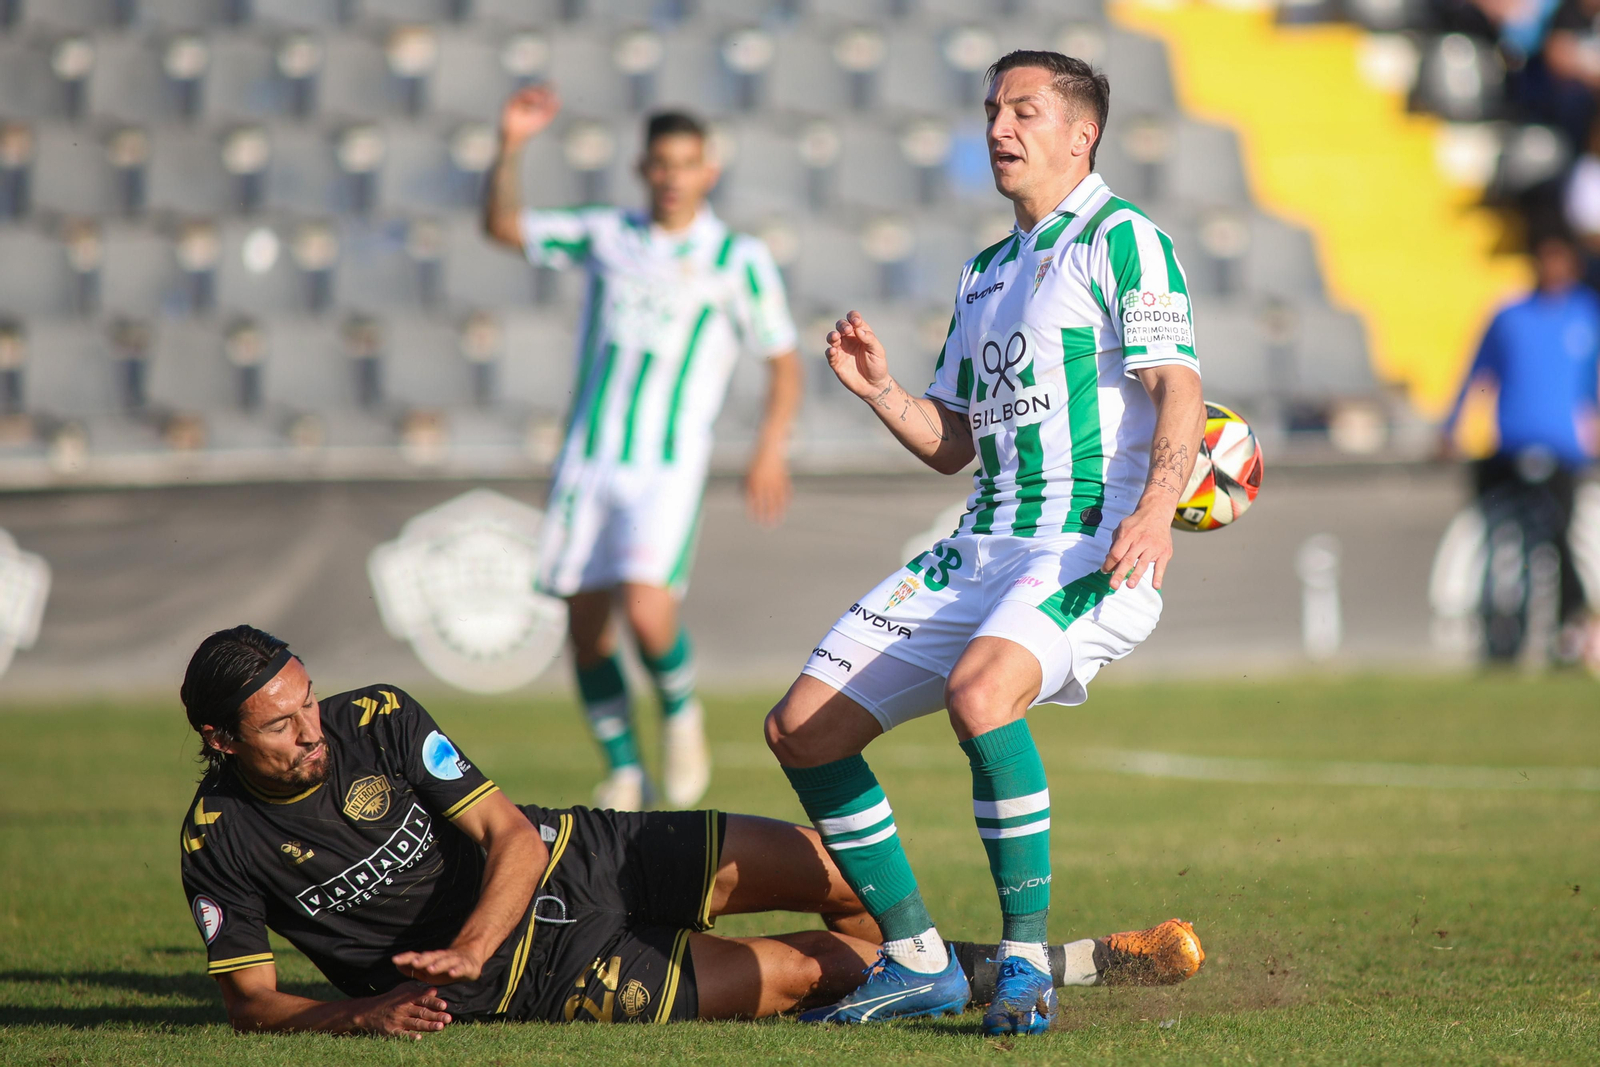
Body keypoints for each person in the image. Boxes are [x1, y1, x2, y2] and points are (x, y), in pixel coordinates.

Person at [763, 50, 1208, 1036]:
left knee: (981, 692)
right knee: (801, 728)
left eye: (1024, 111)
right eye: (993, 111)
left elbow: (1177, 383)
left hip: (1086, 540)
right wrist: (882, 390)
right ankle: (918, 958)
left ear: (1081, 134)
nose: (999, 128)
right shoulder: (985, 271)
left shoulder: (1124, 238)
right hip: (981, 541)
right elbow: (952, 441)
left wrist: (1154, 508)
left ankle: (1022, 963)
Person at [177, 625, 1204, 1036]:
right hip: (544, 973)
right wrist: (364, 1014)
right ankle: (1082, 961)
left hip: (579, 852)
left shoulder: (375, 716)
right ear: (221, 739)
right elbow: (253, 1003)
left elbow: (512, 837)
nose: (311, 730)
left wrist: (468, 942)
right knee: (808, 971)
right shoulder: (217, 842)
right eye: (280, 725)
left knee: (840, 871)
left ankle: (940, 965)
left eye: (307, 701)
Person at [482, 87, 803, 811]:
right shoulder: (607, 235)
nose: (672, 177)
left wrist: (770, 448)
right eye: (661, 163)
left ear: (708, 171)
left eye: (686, 163)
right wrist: (510, 144)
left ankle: (681, 712)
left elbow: (783, 361)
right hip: (587, 458)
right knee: (586, 630)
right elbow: (502, 227)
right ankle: (626, 770)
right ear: (641, 168)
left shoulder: (737, 258)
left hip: (665, 465)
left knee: (648, 609)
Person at [1441, 229, 1600, 662]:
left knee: (1560, 539)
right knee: (1501, 539)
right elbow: (1479, 374)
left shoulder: (1586, 316)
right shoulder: (1509, 317)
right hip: (1510, 447)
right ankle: (1504, 632)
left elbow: (1591, 385)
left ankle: (1569, 629)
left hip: (1563, 451)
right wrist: (1454, 423)